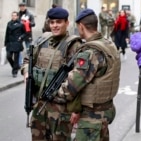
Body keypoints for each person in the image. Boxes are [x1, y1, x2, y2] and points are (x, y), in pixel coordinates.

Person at [55, 8, 121, 140]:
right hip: (105, 110)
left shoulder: (90, 53)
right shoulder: (108, 44)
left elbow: (71, 87)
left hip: (91, 118)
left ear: (81, 26)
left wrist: (54, 94)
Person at [21, 7, 82, 140]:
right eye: (52, 22)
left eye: (59, 22)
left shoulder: (74, 45)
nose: (54, 25)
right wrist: (26, 72)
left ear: (67, 23)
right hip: (40, 105)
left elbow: (80, 80)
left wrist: (77, 110)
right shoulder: (42, 40)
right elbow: (27, 60)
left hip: (61, 109)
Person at [4, 11, 26, 77]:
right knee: (8, 56)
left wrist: (21, 37)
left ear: (17, 16)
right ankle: (15, 67)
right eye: (12, 15)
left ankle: (14, 72)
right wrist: (5, 42)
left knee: (16, 58)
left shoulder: (21, 24)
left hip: (17, 42)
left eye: (15, 15)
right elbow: (6, 33)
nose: (13, 17)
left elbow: (25, 33)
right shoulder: (9, 23)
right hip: (10, 42)